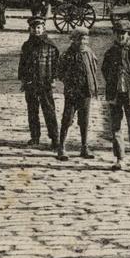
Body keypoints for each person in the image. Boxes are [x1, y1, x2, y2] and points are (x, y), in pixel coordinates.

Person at [101, 22, 130, 173]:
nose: (121, 36)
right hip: (115, 94)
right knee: (116, 128)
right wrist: (111, 83)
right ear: (115, 34)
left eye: (124, 33)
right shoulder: (110, 52)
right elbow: (105, 70)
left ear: (128, 35)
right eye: (118, 33)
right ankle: (120, 158)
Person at [57, 26, 99, 160]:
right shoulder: (68, 55)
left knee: (84, 120)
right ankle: (61, 147)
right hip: (72, 92)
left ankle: (84, 146)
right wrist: (69, 83)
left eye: (85, 39)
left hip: (86, 91)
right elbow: (60, 71)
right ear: (73, 40)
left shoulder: (89, 53)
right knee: (67, 119)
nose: (83, 42)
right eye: (80, 39)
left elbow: (94, 67)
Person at [17, 15, 60, 147]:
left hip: (45, 83)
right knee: (32, 110)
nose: (36, 30)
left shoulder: (50, 46)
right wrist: (23, 80)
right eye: (33, 28)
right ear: (30, 29)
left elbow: (55, 65)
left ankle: (55, 138)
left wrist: (53, 79)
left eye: (39, 27)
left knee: (49, 111)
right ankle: (35, 136)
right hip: (31, 83)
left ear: (44, 28)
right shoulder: (27, 46)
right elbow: (22, 64)